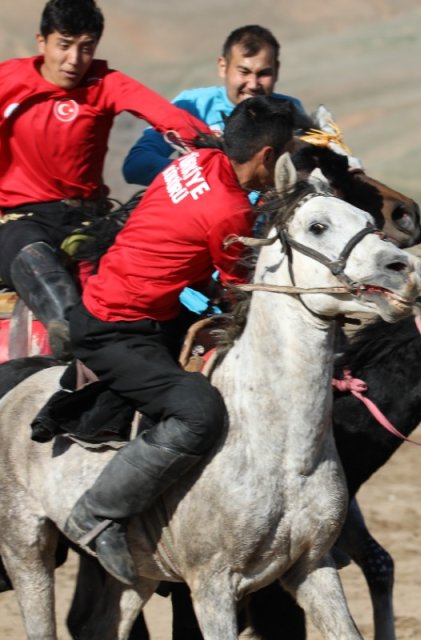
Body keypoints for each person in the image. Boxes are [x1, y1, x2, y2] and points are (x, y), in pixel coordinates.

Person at [59, 95, 298, 586]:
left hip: (130, 309)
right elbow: (240, 292)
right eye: (287, 156)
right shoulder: (228, 211)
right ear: (269, 158)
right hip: (117, 330)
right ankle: (96, 512)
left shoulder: (201, 160)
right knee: (200, 413)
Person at [0, 0, 208, 357]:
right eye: (64, 45)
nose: (74, 60)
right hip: (24, 221)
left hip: (91, 220)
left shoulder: (106, 83)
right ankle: (72, 341)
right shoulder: (3, 82)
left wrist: (218, 146)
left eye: (86, 47)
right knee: (32, 255)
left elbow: (170, 119)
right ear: (42, 42)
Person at [121, 24, 304, 187]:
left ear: (277, 70)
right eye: (244, 72)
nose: (253, 84)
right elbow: (136, 165)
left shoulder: (289, 111)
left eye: (264, 73)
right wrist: (204, 176)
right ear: (223, 67)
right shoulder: (193, 106)